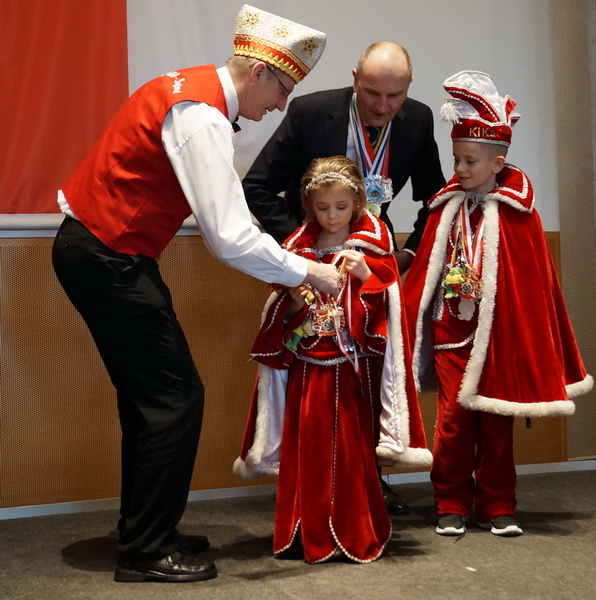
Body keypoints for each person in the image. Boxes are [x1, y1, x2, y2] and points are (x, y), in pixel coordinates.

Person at [51, 4, 335, 584]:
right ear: (259, 71)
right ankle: (144, 551)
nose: (280, 106)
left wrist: (285, 270)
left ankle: (145, 528)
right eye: (282, 90)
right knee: (174, 399)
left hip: (105, 253)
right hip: (108, 258)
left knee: (151, 400)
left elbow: (229, 219)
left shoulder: (186, 89)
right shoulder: (201, 115)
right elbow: (228, 238)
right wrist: (306, 272)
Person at [242, 42, 445, 514]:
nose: (383, 106)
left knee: (369, 375)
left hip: (370, 266)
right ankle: (309, 482)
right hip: (310, 274)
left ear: (409, 88)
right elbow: (256, 187)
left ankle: (368, 479)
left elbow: (434, 197)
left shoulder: (417, 119)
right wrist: (303, 248)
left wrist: (408, 252)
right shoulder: (311, 112)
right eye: (372, 93)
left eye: (394, 96)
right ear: (355, 79)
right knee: (313, 379)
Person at [402, 71, 593, 538]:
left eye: (469, 161)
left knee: (496, 423)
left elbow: (533, 287)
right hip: (450, 332)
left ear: (497, 162)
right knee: (452, 423)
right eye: (456, 159)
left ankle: (498, 502)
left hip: (497, 335)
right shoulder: (445, 207)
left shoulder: (519, 215)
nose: (460, 168)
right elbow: (426, 271)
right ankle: (450, 499)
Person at [234, 156, 432, 563]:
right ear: (309, 207)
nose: (332, 215)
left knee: (350, 451)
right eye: (322, 208)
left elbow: (389, 310)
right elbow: (278, 311)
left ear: (357, 203)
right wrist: (292, 303)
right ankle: (306, 531)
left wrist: (366, 277)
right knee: (307, 447)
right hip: (306, 371)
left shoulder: (371, 249)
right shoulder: (296, 253)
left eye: (341, 207)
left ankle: (353, 530)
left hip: (351, 371)